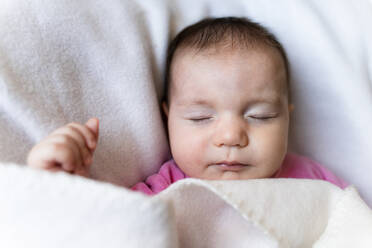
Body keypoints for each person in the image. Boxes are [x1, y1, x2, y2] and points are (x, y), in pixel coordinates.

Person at [27, 17, 348, 195]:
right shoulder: (167, 189)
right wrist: (70, 181)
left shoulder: (314, 181)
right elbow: (114, 224)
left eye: (260, 116)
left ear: (287, 119)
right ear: (168, 119)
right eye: (201, 117)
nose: (231, 137)